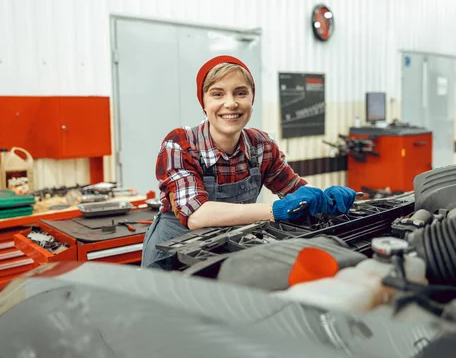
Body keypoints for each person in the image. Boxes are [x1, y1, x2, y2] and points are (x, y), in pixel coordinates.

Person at [141, 55, 357, 269]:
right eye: (217, 94)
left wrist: (323, 197)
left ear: (252, 99)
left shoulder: (261, 145)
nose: (231, 103)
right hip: (170, 260)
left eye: (241, 93)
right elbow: (196, 215)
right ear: (203, 103)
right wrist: (275, 209)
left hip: (223, 252)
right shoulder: (180, 143)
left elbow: (294, 190)